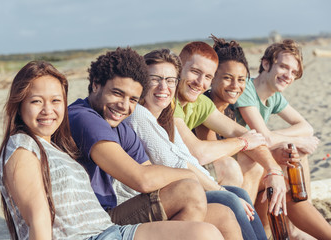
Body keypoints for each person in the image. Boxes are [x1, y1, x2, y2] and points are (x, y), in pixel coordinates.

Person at [0, 60, 224, 240]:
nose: (48, 110)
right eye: (36, 101)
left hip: (107, 230)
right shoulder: (22, 146)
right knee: (204, 234)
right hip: (92, 237)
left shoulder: (53, 145)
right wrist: (191, 174)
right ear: (20, 104)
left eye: (55, 101)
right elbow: (38, 219)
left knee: (216, 224)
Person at [67, 47, 240, 237]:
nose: (124, 106)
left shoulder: (120, 125)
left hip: (113, 211)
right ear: (96, 85)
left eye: (133, 99)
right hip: (95, 222)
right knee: (188, 191)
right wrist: (188, 174)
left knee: (223, 215)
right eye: (117, 93)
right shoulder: (84, 118)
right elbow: (143, 179)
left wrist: (186, 175)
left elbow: (150, 170)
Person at [123, 48, 267, 239]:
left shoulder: (163, 117)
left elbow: (186, 157)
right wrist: (220, 190)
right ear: (141, 81)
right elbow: (175, 163)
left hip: (168, 192)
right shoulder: (139, 114)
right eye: (155, 79)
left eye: (170, 80)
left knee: (236, 193)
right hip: (140, 202)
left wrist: (221, 187)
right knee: (229, 198)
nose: (163, 87)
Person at [173, 41, 287, 216]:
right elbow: (200, 152)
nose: (200, 82)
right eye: (195, 72)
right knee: (231, 167)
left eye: (206, 77)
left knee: (267, 170)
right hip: (170, 177)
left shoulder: (201, 103)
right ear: (179, 69)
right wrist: (243, 142)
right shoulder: (169, 102)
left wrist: (274, 170)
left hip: (188, 170)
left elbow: (247, 134)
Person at [233, 39, 331, 239]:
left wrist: (293, 141)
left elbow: (306, 127)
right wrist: (294, 140)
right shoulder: (246, 90)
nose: (288, 75)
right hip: (240, 167)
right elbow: (264, 139)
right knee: (292, 151)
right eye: (284, 67)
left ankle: (302, 222)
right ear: (267, 63)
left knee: (295, 152)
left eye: (294, 72)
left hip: (258, 161)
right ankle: (297, 228)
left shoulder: (273, 97)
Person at [194, 35, 265, 203]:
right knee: (232, 165)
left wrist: (273, 169)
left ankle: (248, 219)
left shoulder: (231, 111)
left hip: (217, 171)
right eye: (227, 78)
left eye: (241, 80)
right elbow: (214, 155)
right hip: (197, 176)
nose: (235, 86)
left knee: (255, 165)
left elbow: (252, 139)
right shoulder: (204, 105)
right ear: (212, 77)